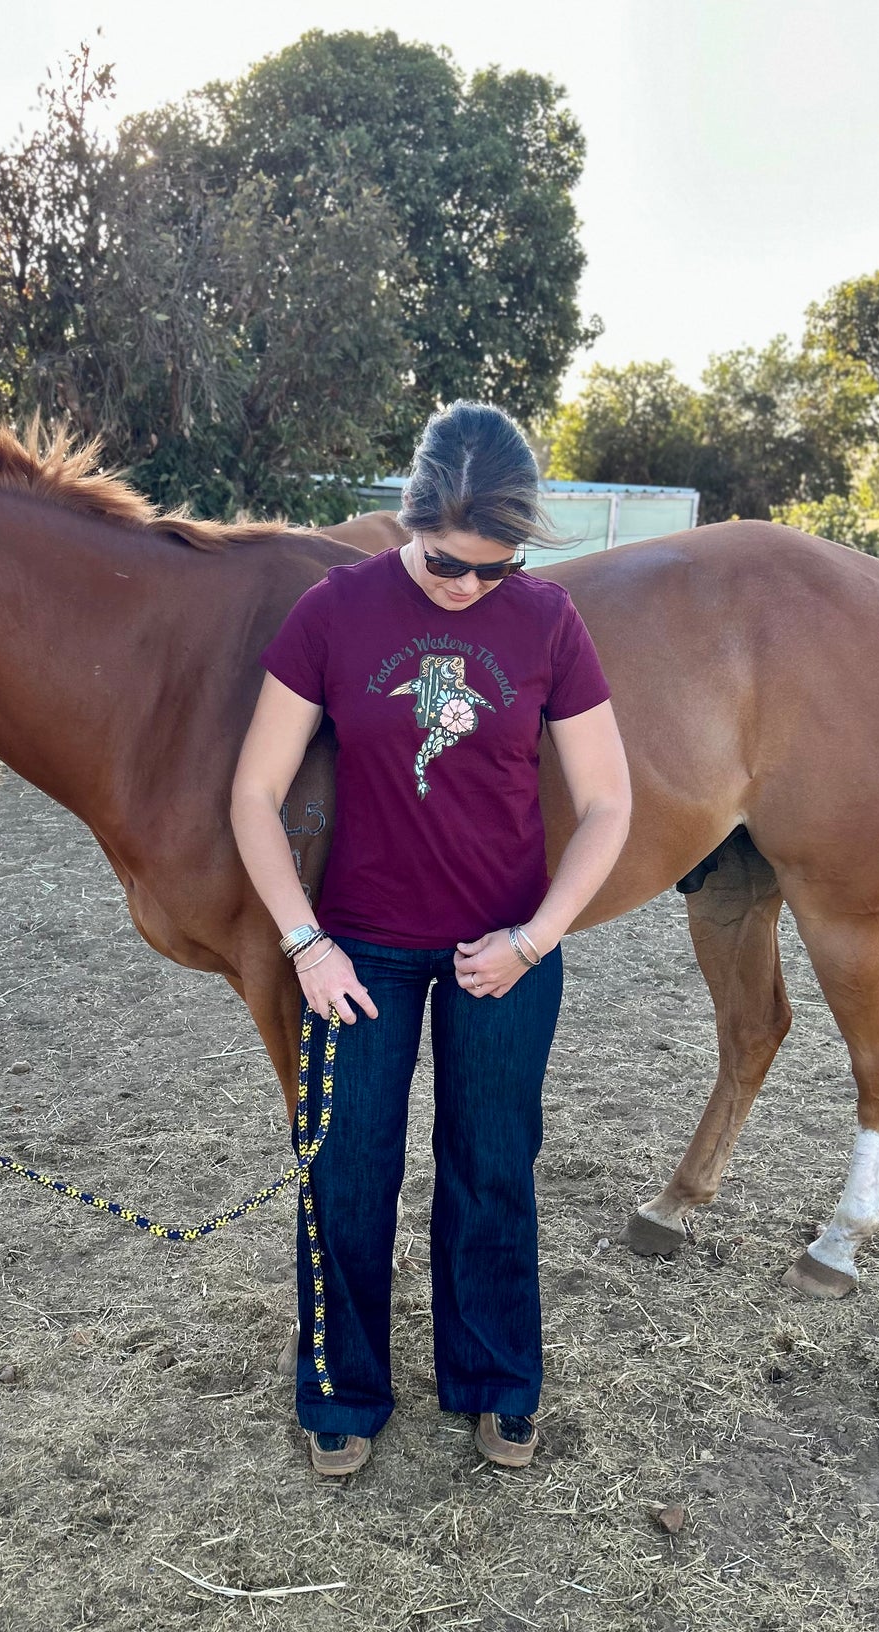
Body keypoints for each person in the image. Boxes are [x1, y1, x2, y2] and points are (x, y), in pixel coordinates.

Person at [231, 401, 631, 1477]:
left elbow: (606, 806)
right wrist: (305, 943)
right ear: (407, 519)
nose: (465, 589)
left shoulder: (546, 622)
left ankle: (497, 1382)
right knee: (344, 1171)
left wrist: (535, 939)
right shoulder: (335, 610)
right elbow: (252, 793)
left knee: (492, 1170)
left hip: (501, 955)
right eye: (447, 564)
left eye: (491, 572)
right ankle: (341, 1388)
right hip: (356, 953)